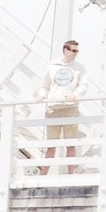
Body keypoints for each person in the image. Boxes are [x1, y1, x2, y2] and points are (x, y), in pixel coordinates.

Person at [40, 37, 88, 167]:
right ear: (65, 50)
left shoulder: (79, 68)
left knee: (70, 145)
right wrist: (42, 96)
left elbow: (83, 85)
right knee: (51, 145)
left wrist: (75, 95)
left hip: (70, 107)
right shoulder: (53, 66)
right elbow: (45, 85)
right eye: (73, 50)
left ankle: (71, 172)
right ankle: (44, 173)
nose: (75, 53)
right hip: (54, 107)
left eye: (77, 51)